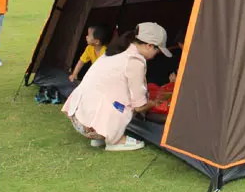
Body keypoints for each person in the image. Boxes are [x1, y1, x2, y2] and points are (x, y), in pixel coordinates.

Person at [62, 22, 173, 151]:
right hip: (90, 126)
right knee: (128, 103)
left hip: (78, 117)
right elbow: (139, 105)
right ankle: (114, 140)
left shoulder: (116, 51)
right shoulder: (135, 61)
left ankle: (101, 135)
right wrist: (153, 103)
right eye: (157, 50)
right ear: (149, 46)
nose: (156, 54)